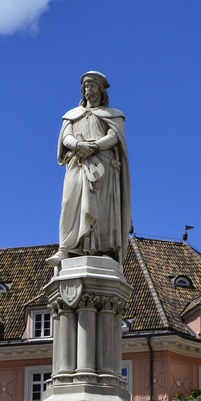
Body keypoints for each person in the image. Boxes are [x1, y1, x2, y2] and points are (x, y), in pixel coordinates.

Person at [50, 71, 131, 266]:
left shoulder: (113, 115)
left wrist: (95, 146)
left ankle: (103, 249)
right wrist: (79, 146)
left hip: (102, 166)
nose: (89, 90)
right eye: (86, 87)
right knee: (70, 203)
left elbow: (114, 137)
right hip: (77, 162)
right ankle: (67, 248)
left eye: (93, 87)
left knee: (101, 208)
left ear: (101, 91)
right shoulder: (72, 115)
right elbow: (66, 137)